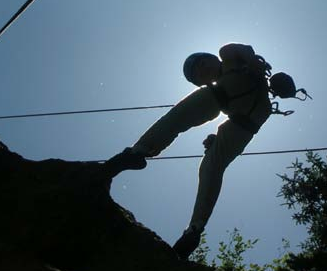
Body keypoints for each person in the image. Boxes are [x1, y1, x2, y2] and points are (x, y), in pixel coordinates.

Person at [103, 43, 296, 259]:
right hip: (242, 119)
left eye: (203, 62)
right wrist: (216, 137)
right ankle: (193, 229)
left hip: (243, 117)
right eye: (197, 72)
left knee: (198, 145)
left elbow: (243, 50)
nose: (201, 67)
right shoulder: (222, 82)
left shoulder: (228, 56)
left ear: (214, 58)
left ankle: (138, 155)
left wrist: (252, 62)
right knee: (204, 154)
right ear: (199, 82)